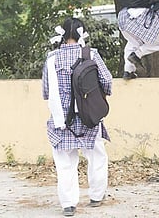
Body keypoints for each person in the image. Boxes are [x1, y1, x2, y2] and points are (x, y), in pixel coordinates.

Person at [42, 17, 113, 217]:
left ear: (63, 35)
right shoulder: (91, 54)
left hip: (62, 119)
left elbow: (46, 91)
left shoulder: (52, 58)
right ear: (82, 33)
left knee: (65, 161)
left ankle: (68, 204)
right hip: (89, 115)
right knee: (96, 155)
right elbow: (106, 81)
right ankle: (96, 197)